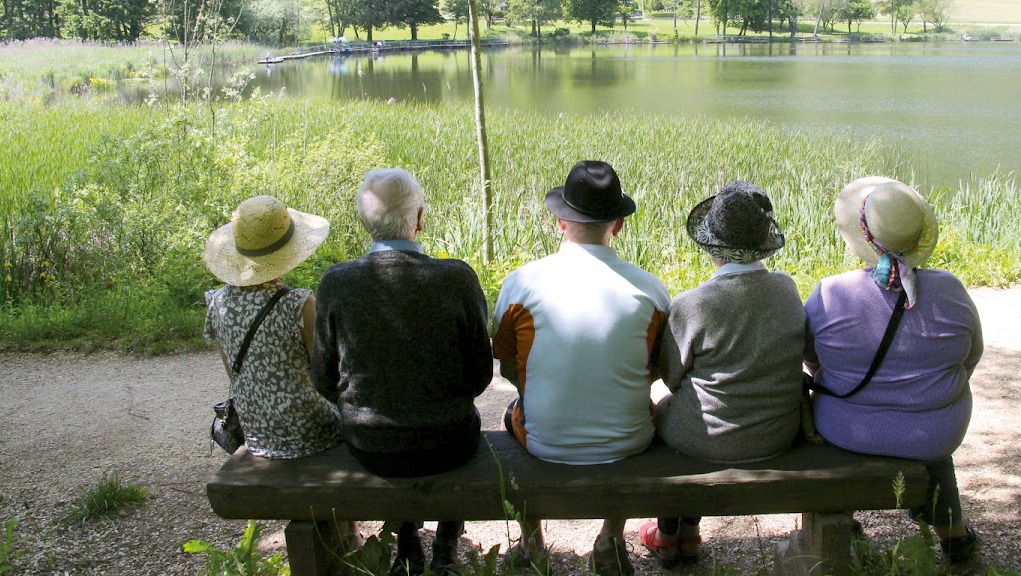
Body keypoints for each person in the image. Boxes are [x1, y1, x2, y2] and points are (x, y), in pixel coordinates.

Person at [311, 168, 494, 576]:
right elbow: (480, 376)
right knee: (463, 421)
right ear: (420, 218)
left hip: (369, 445)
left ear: (365, 223)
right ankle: (446, 540)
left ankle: (409, 540)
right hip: (449, 442)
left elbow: (324, 379)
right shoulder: (457, 279)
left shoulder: (337, 283)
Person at [492, 160, 671, 576]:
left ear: (560, 222)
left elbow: (506, 366)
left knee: (510, 413)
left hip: (543, 441)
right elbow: (657, 369)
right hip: (628, 440)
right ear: (619, 225)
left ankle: (532, 539)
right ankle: (610, 538)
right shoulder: (650, 289)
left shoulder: (521, 282)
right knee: (644, 408)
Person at [804, 177, 983, 563]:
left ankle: (843, 518)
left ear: (864, 238)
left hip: (845, 428)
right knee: (930, 433)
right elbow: (970, 358)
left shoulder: (830, 293)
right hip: (935, 433)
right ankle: (953, 534)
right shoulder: (950, 289)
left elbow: (812, 360)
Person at [639, 181, 807, 566]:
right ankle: (689, 532)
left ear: (712, 247)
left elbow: (671, 376)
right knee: (685, 413)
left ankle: (669, 533)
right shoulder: (786, 289)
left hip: (706, 439)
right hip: (775, 434)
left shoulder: (692, 304)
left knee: (664, 411)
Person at [203, 195, 340, 459]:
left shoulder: (216, 303)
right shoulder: (297, 304)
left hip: (257, 434)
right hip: (313, 433)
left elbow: (233, 373)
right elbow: (325, 375)